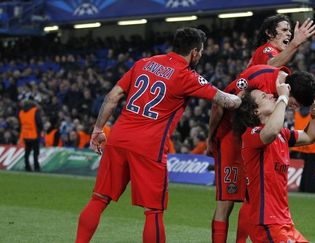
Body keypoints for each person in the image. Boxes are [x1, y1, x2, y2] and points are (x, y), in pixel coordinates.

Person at [75, 27, 241, 243]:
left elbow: (113, 96)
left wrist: (98, 129)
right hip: (149, 147)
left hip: (119, 137)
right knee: (153, 211)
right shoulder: (186, 75)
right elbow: (227, 101)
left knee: (98, 199)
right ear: (194, 52)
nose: (200, 56)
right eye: (200, 52)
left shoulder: (144, 63)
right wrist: (244, 94)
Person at [232, 71, 315, 243]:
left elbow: (310, 136)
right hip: (265, 223)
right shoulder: (251, 135)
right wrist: (283, 98)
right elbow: (270, 131)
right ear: (255, 111)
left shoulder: (282, 134)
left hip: (284, 222)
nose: (269, 94)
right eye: (263, 96)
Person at [208, 64, 291, 243]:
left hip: (249, 138)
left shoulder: (269, 76)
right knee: (229, 202)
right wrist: (212, 137)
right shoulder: (262, 66)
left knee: (250, 199)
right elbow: (219, 104)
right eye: (285, 33)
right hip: (232, 138)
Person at [248, 14, 315, 68]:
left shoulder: (279, 54)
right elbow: (272, 65)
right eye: (284, 30)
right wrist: (294, 43)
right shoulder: (266, 49)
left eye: (289, 31)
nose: (289, 34)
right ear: (270, 33)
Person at [18, 100, 43, 172]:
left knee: (27, 151)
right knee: (36, 152)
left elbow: (21, 123)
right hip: (34, 134)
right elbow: (39, 122)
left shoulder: (21, 112)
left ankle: (27, 166)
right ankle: (36, 167)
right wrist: (40, 129)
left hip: (25, 134)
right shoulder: (35, 111)